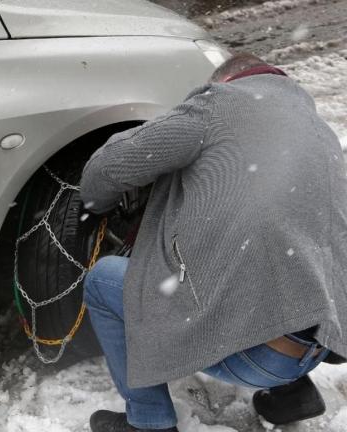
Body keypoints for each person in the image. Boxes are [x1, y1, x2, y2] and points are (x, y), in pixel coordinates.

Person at [79, 53, 347, 432]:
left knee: (103, 281)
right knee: (278, 248)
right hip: (321, 343)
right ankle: (293, 395)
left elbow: (108, 167)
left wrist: (95, 206)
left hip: (258, 356)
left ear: (224, 81)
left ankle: (148, 421)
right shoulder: (318, 131)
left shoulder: (218, 103)